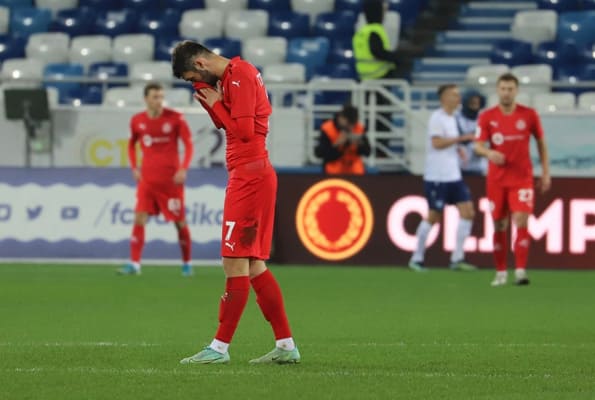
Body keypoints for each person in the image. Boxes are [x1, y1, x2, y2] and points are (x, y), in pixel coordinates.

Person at [171, 40, 299, 364]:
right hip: (250, 174)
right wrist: (210, 100)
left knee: (233, 261)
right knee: (253, 265)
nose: (195, 83)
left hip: (250, 177)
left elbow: (241, 131)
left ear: (200, 64)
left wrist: (216, 103)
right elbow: (225, 123)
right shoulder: (232, 77)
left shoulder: (240, 75)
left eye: (192, 77)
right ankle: (286, 345)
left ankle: (219, 348)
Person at [475, 73, 551, 287]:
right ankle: (501, 272)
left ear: (516, 91)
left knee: (521, 219)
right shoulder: (487, 116)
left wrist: (545, 172)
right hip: (497, 180)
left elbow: (541, 143)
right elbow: (478, 146)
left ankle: (520, 270)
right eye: (503, 89)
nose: (506, 93)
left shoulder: (529, 115)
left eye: (510, 89)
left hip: (521, 178)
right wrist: (489, 153)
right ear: (497, 90)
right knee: (499, 224)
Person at [118, 82, 194, 277]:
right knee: (139, 217)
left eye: (161, 97)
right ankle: (135, 264)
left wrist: (183, 168)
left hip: (171, 181)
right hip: (148, 180)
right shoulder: (137, 121)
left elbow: (188, 145)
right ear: (146, 99)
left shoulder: (175, 118)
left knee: (179, 222)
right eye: (155, 97)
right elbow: (131, 145)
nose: (159, 101)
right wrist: (134, 167)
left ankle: (187, 263)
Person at [409, 84, 477, 272]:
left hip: (453, 175)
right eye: (454, 95)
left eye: (458, 95)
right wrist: (460, 140)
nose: (458, 98)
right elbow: (437, 143)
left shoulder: (453, 118)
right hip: (437, 176)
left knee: (468, 212)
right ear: (444, 98)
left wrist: (458, 149)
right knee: (434, 216)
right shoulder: (436, 118)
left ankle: (457, 258)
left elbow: (449, 143)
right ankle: (417, 258)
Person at [352, 0, 400, 133]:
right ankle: (381, 142)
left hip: (365, 78)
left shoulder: (361, 32)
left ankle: (372, 140)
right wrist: (396, 58)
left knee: (369, 116)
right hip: (379, 77)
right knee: (381, 115)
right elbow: (377, 51)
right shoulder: (375, 31)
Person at [315, 104, 371, 175]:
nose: (351, 128)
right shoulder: (327, 129)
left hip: (355, 172)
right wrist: (337, 144)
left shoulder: (359, 128)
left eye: (353, 124)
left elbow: (368, 152)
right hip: (333, 172)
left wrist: (360, 144)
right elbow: (319, 153)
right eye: (348, 124)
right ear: (341, 118)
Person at [455, 90, 487, 176]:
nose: (475, 106)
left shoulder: (483, 118)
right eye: (472, 103)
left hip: (478, 166)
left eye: (477, 103)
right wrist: (466, 138)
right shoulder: (456, 117)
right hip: (458, 165)